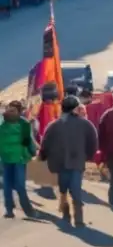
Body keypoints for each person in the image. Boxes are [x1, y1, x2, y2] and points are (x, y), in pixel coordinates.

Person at [38, 95, 98, 228]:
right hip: (77, 162)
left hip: (60, 163)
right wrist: (88, 156)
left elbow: (45, 143)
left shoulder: (54, 125)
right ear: (75, 108)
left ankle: (67, 215)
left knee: (63, 189)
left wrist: (42, 156)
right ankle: (78, 219)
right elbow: (93, 142)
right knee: (75, 189)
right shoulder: (85, 124)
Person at [0, 100, 36, 219]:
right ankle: (28, 210)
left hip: (5, 158)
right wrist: (33, 153)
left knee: (7, 184)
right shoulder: (24, 123)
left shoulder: (2, 124)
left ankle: (9, 210)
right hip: (19, 159)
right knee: (20, 185)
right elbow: (28, 142)